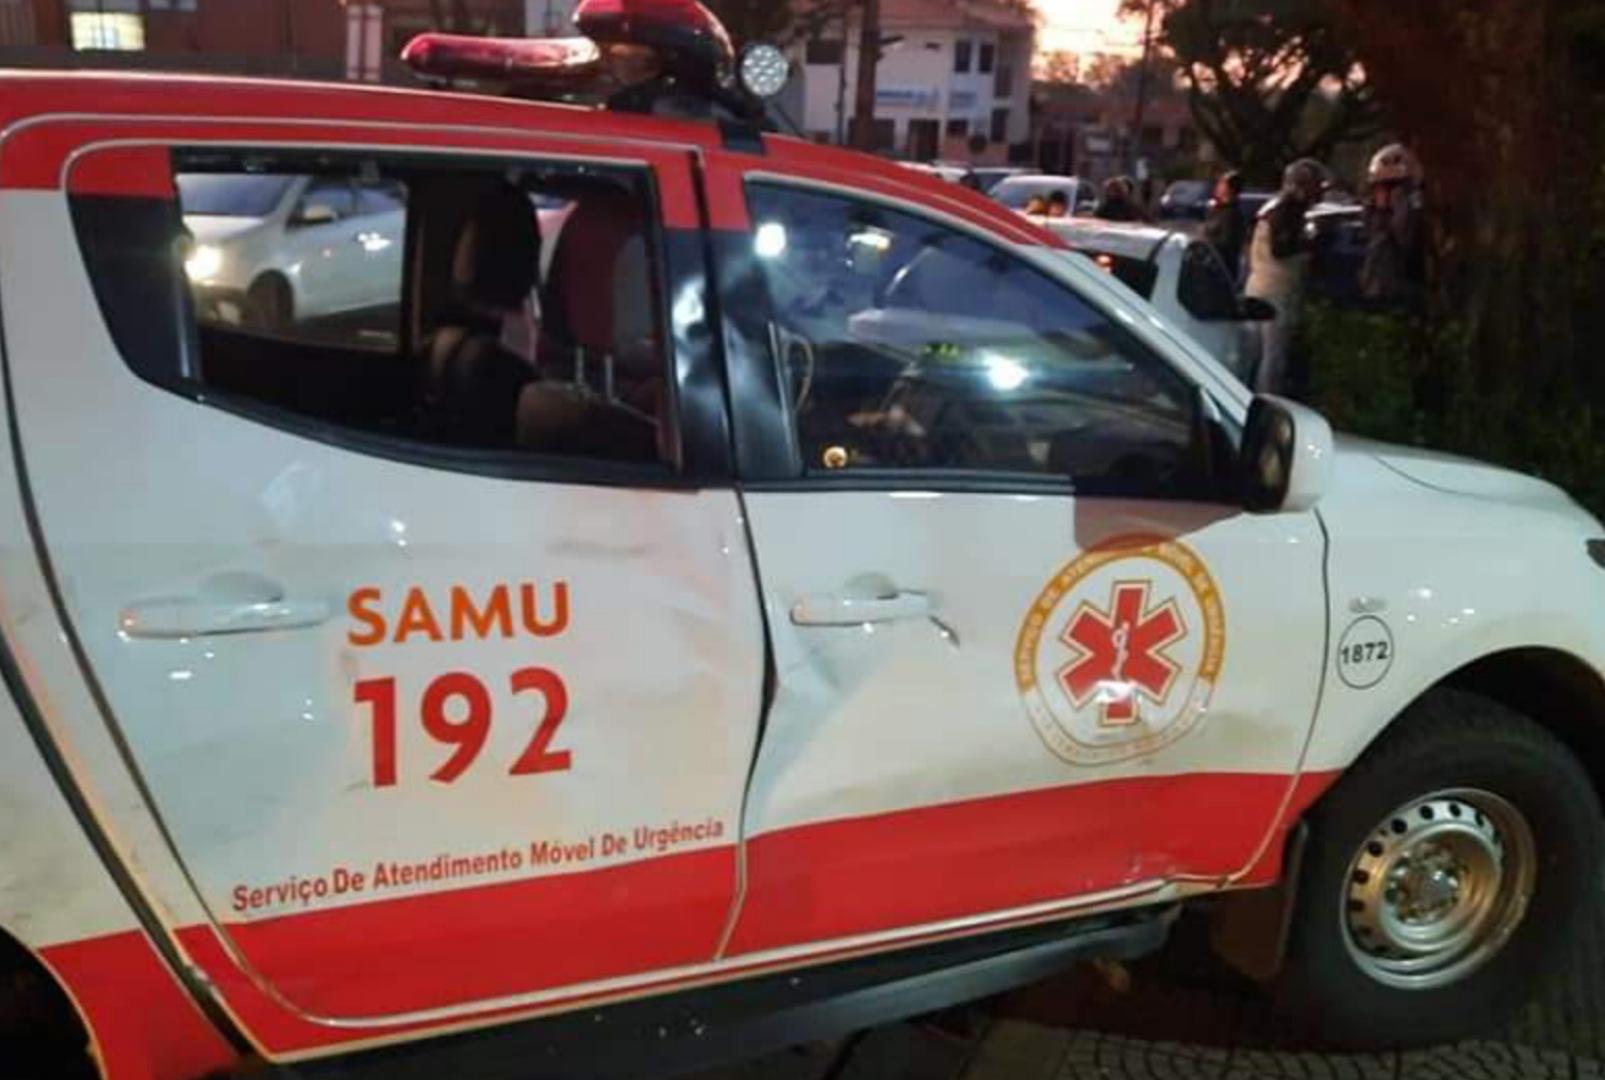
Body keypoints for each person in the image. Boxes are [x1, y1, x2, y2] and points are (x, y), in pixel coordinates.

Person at [1245, 158, 1328, 394]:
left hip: (1257, 285)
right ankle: (1266, 405)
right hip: (1277, 291)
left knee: (1255, 355)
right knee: (1273, 359)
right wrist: (1310, 244)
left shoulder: (1269, 209)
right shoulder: (1288, 212)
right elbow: (1282, 250)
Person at [1359, 143, 1426, 308]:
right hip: (1384, 288)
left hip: (1404, 284)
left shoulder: (1412, 209)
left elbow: (1404, 237)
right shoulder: (1375, 215)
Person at [1203, 170, 1247, 279]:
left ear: (1230, 189)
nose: (1218, 186)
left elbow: (1226, 244)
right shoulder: (1215, 210)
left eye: (1222, 183)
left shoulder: (1232, 214)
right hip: (1207, 268)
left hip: (1221, 271)